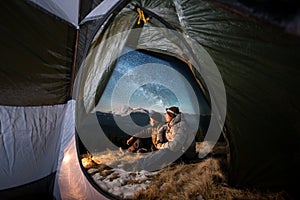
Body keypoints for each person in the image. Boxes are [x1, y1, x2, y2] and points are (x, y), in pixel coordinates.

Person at [136, 106, 197, 171]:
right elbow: (162, 129)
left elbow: (175, 146)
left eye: (166, 114)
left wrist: (161, 146)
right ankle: (147, 160)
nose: (165, 116)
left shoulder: (182, 127)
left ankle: (142, 165)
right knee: (163, 148)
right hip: (178, 150)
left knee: (165, 151)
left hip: (185, 154)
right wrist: (159, 140)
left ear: (171, 116)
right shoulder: (172, 124)